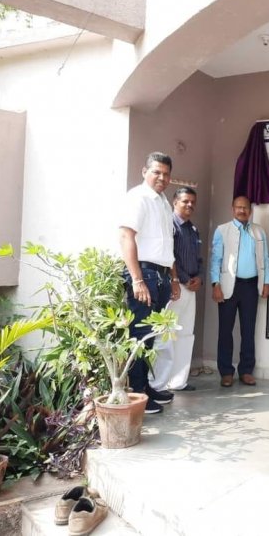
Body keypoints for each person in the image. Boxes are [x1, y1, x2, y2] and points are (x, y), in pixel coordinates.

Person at [120, 152, 181, 415]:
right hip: (144, 273)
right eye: (157, 172)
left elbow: (167, 244)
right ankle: (138, 392)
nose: (162, 178)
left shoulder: (164, 202)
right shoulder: (138, 197)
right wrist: (137, 279)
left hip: (162, 274)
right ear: (144, 171)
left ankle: (146, 387)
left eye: (166, 174)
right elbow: (125, 237)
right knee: (139, 335)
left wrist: (174, 278)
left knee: (151, 338)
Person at [210, 196, 269, 387]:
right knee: (225, 330)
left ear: (250, 210)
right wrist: (215, 284)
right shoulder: (222, 230)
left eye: (245, 208)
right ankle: (226, 372)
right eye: (238, 207)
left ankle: (246, 370)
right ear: (232, 209)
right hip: (229, 285)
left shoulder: (258, 231)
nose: (242, 210)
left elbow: (265, 260)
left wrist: (267, 282)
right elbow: (215, 260)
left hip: (251, 286)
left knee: (248, 330)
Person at [150, 186, 203, 393]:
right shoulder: (169, 225)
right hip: (174, 287)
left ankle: (178, 381)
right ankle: (159, 383)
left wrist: (198, 277)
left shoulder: (193, 229)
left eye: (192, 202)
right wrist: (180, 279)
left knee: (186, 334)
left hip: (190, 288)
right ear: (175, 202)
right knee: (166, 335)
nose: (189, 205)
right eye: (185, 201)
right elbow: (169, 256)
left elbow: (198, 258)